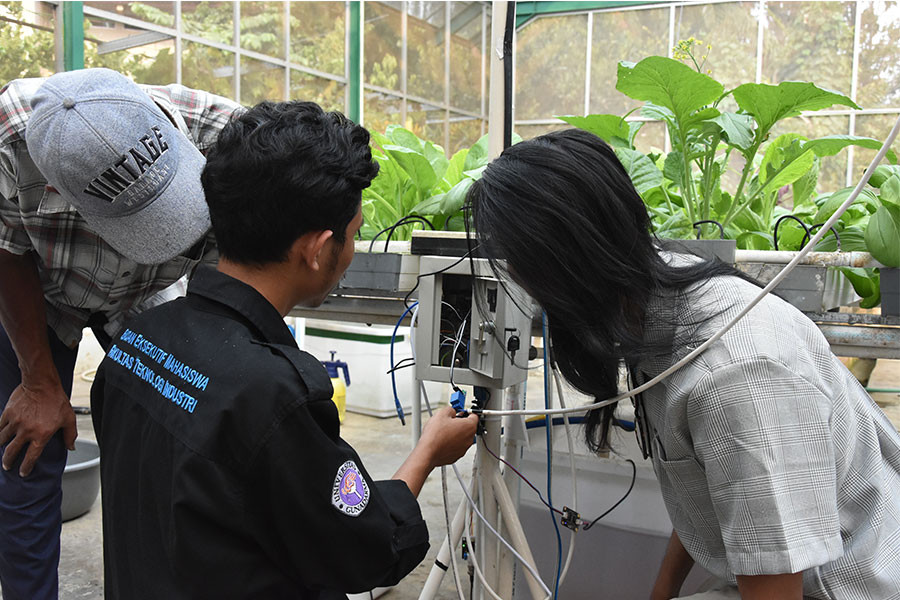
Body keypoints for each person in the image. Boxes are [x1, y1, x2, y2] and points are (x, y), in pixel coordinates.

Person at [467, 129, 900, 600]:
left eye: (517, 261)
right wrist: (662, 592)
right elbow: (712, 489)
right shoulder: (651, 307)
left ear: (564, 262)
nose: (512, 276)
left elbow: (778, 583)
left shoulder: (735, 375)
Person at [90, 100, 480, 598]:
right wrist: (427, 452)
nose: (352, 250)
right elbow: (362, 549)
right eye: (355, 234)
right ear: (318, 250)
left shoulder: (138, 341)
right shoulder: (274, 395)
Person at [0, 67, 238, 599]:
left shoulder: (224, 131)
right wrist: (38, 381)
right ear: (58, 187)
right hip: (41, 294)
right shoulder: (8, 138)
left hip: (146, 295)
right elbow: (5, 251)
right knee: (26, 457)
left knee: (173, 444)